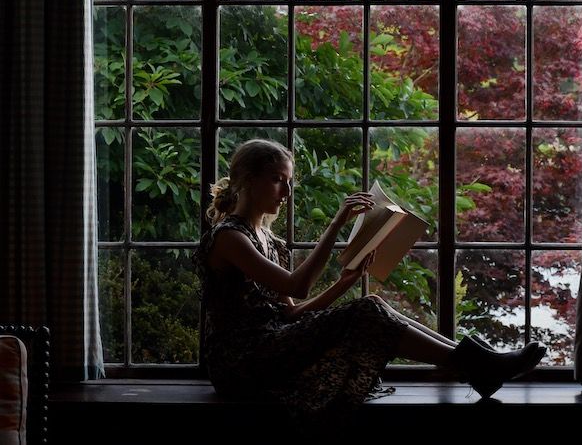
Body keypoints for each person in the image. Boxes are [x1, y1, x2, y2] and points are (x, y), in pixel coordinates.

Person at [193, 138, 545, 438]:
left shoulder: (269, 240)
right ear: (248, 181)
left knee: (370, 301)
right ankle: (478, 365)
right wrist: (336, 224)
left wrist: (344, 283)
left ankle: (476, 364)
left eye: (288, 181)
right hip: (240, 365)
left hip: (270, 348)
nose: (286, 191)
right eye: (277, 181)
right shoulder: (230, 238)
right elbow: (297, 287)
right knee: (366, 310)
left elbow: (291, 312)